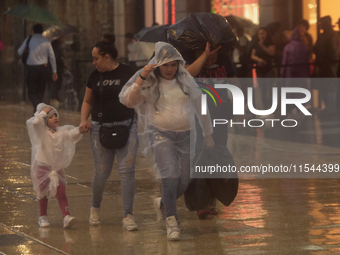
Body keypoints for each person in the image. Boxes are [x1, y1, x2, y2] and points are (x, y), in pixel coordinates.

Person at [119, 42, 214, 240]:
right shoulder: (149, 82)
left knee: (185, 179)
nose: (170, 69)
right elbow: (128, 100)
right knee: (169, 174)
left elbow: (200, 105)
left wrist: (208, 134)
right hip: (160, 134)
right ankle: (171, 220)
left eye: (173, 64)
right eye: (165, 65)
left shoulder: (185, 80)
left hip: (187, 135)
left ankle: (163, 203)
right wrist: (141, 77)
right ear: (157, 65)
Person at [79, 33, 139, 231]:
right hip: (99, 128)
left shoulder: (129, 73)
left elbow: (141, 95)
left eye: (96, 58)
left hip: (128, 126)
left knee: (127, 171)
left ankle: (128, 215)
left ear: (107, 57)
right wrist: (83, 120)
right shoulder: (94, 76)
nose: (93, 62)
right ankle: (95, 207)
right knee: (102, 172)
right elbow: (88, 101)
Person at [184, 42, 238, 219]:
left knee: (216, 156)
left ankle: (211, 201)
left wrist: (240, 106)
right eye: (210, 57)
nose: (212, 61)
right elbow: (186, 75)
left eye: (215, 57)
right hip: (198, 117)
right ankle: (201, 201)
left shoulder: (225, 58)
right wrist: (204, 56)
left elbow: (234, 80)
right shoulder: (192, 59)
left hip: (220, 113)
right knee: (200, 155)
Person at [26, 103, 82, 228]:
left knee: (61, 191)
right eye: (51, 117)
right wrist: (43, 112)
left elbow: (72, 134)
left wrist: (80, 130)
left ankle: (66, 216)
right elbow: (35, 123)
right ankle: (43, 216)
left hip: (57, 167)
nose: (55, 118)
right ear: (45, 121)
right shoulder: (41, 133)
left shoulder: (61, 132)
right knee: (43, 193)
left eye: (56, 115)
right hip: (43, 165)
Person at [18, 24, 58, 113]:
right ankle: (37, 111)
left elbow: (19, 51)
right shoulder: (46, 40)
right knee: (40, 91)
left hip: (31, 69)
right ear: (42, 31)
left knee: (31, 92)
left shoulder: (29, 39)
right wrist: (54, 71)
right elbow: (52, 56)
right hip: (43, 69)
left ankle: (37, 107)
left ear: (33, 30)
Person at [314, 16, 340, 116]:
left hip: (330, 64)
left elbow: (334, 52)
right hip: (324, 64)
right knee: (325, 86)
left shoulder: (332, 35)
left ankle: (331, 108)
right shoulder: (324, 35)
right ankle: (328, 107)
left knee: (330, 86)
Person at [251, 27, 275, 110]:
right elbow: (252, 55)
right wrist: (259, 60)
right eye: (260, 34)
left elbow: (271, 52)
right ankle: (266, 108)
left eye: (263, 33)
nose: (262, 35)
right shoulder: (256, 44)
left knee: (270, 89)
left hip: (269, 68)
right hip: (260, 69)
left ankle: (272, 107)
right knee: (263, 90)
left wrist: (262, 46)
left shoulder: (270, 42)